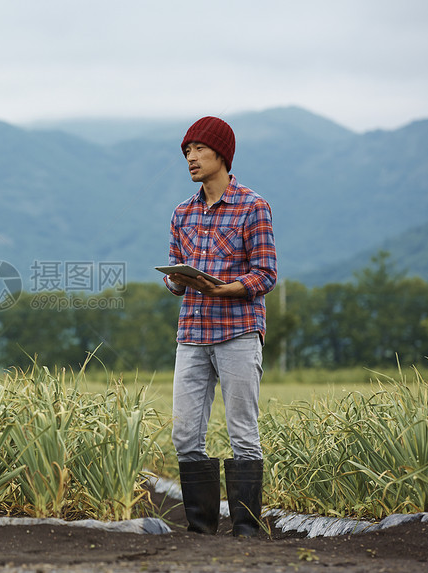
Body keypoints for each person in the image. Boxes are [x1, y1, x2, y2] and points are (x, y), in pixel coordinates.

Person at [163, 116, 277, 537]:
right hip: (191, 334)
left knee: (243, 432)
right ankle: (200, 533)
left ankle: (246, 533)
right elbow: (174, 279)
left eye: (198, 149)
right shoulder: (182, 213)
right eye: (186, 151)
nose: (190, 157)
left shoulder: (253, 206)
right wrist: (177, 278)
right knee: (185, 435)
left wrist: (226, 289)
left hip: (238, 333)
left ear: (221, 155)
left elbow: (265, 275)